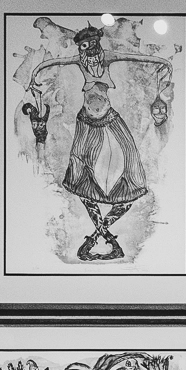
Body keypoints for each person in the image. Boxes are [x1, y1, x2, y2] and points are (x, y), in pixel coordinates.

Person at [58, 76, 148, 261]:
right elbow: (78, 148)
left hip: (117, 173)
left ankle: (95, 241)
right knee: (87, 197)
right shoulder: (83, 118)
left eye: (100, 101)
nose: (97, 108)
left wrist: (131, 175)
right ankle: (108, 243)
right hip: (92, 172)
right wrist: (77, 173)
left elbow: (129, 149)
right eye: (92, 101)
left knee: (124, 202)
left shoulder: (114, 119)